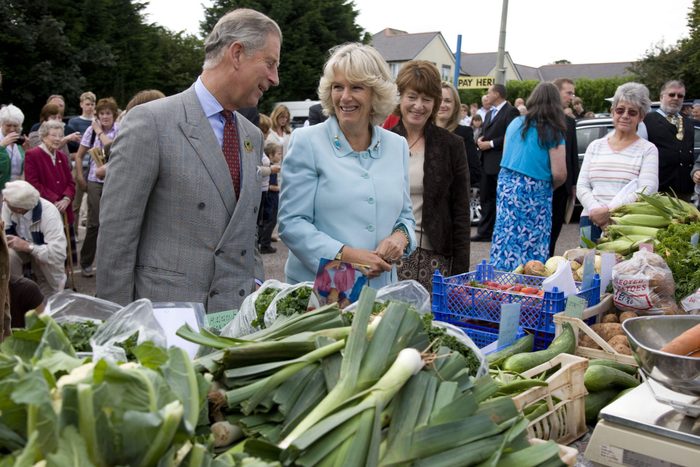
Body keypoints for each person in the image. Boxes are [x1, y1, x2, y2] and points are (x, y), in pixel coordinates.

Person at [96, 8, 281, 311]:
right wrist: (116, 328)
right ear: (236, 54)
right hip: (167, 324)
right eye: (270, 63)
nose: (275, 78)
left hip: (233, 326)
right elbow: (117, 237)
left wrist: (256, 287)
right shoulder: (151, 122)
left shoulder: (251, 135)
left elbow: (245, 228)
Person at [278, 42, 415, 288]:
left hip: (381, 288)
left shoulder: (398, 146)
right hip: (324, 289)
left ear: (376, 93)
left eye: (356, 87)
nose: (345, 96)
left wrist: (400, 238)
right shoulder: (308, 142)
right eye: (337, 87)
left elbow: (405, 215)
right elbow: (292, 224)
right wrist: (349, 256)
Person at [391, 60, 470, 291]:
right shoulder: (381, 141)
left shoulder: (451, 145)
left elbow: (461, 213)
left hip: (435, 261)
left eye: (427, 99)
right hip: (390, 257)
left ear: (435, 103)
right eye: (412, 97)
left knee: (432, 325)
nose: (418, 105)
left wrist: (460, 276)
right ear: (400, 98)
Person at [489, 83, 567, 270]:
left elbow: (507, 154)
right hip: (535, 189)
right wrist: (546, 186)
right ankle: (529, 284)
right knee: (533, 240)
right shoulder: (553, 130)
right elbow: (559, 173)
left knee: (505, 235)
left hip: (507, 184)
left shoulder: (515, 123)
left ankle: (501, 281)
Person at [577, 83, 659, 243]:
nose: (625, 115)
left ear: (641, 117)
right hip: (590, 220)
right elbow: (582, 186)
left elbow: (648, 189)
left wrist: (608, 211)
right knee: (586, 267)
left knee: (622, 268)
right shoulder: (595, 146)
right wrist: (596, 211)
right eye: (620, 110)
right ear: (612, 112)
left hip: (627, 224)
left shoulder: (648, 149)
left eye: (632, 112)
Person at [74, 97, 119, 277]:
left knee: (113, 223)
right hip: (94, 180)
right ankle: (86, 261)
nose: (105, 116)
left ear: (114, 115)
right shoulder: (89, 131)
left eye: (108, 113)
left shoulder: (119, 130)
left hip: (115, 180)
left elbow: (111, 148)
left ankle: (110, 263)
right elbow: (79, 155)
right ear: (97, 115)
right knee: (94, 222)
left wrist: (99, 131)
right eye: (102, 113)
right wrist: (79, 175)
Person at [23, 120, 77, 264]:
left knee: (64, 253)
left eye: (60, 135)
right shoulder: (32, 155)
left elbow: (71, 182)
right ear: (44, 136)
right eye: (54, 135)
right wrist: (54, 200)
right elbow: (33, 184)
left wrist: (66, 198)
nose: (58, 138)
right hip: (45, 210)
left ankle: (64, 281)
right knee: (48, 253)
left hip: (65, 209)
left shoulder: (62, 156)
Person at [2, 181, 67, 298]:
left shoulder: (49, 214)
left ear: (19, 209)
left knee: (51, 293)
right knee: (8, 256)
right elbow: (5, 230)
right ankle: (15, 293)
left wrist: (28, 247)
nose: (3, 201)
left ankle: (45, 306)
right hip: (22, 249)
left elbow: (58, 254)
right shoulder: (8, 205)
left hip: (45, 254)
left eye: (6, 200)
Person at [473, 84, 520, 241]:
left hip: (500, 162)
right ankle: (484, 232)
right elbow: (487, 133)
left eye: (489, 92)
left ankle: (499, 232)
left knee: (500, 199)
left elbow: (511, 135)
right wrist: (481, 140)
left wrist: (491, 143)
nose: (486, 95)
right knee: (486, 198)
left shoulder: (510, 111)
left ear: (497, 94)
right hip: (486, 162)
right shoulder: (488, 114)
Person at [643, 80, 695, 200]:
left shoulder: (688, 122)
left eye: (680, 96)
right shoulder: (646, 121)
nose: (676, 98)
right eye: (672, 94)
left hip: (685, 192)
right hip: (659, 192)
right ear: (661, 97)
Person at [550, 78, 579, 257]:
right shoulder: (542, 120)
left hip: (563, 188)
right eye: (569, 93)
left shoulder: (570, 122)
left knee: (555, 232)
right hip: (546, 184)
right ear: (557, 92)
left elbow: (572, 155)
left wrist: (574, 184)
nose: (572, 97)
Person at [436, 82, 480, 192]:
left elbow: (474, 172)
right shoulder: (423, 132)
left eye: (447, 101)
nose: (442, 105)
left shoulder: (464, 133)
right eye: (439, 100)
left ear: (455, 105)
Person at [68, 92, 97, 231]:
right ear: (81, 105)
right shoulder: (74, 122)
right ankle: (73, 231)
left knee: (93, 202)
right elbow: (72, 146)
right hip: (79, 164)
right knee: (76, 203)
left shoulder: (97, 121)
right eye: (87, 104)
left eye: (92, 104)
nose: (90, 107)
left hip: (95, 165)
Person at [259, 141, 281, 254]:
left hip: (271, 197)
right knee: (270, 220)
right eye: (278, 153)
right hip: (271, 197)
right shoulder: (272, 168)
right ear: (271, 155)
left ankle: (263, 242)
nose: (280, 156)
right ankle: (265, 244)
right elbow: (270, 185)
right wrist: (279, 188)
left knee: (269, 220)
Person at [0, 105, 29, 193]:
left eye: (15, 125)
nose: (12, 129)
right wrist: (1, 147)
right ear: (1, 124)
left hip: (17, 190)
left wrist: (28, 151)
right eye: (8, 125)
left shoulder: (20, 142)